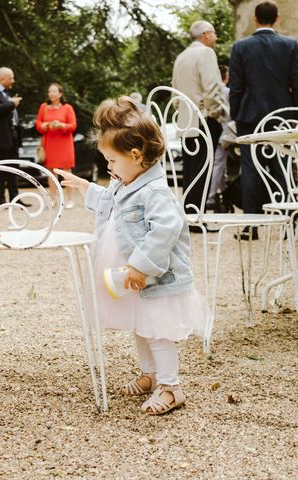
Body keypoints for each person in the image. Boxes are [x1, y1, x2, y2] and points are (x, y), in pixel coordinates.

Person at [56, 97, 205, 415]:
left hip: (156, 279)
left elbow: (164, 231)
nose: (108, 167)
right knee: (141, 326)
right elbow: (112, 203)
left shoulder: (155, 192)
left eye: (111, 160)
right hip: (136, 279)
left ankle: (171, 386)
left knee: (158, 330)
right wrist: (86, 188)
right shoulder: (128, 181)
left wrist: (140, 266)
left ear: (136, 156)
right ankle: (150, 375)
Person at [229, 1, 298, 238]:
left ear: (255, 19)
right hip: (282, 116)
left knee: (251, 170)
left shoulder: (241, 47)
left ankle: (251, 227)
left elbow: (236, 86)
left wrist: (236, 114)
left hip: (250, 117)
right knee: (282, 169)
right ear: (277, 18)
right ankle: (287, 225)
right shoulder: (290, 45)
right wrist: (294, 115)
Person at [172, 20, 229, 218]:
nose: (215, 37)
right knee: (203, 170)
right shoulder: (206, 53)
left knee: (190, 170)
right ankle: (197, 216)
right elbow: (212, 89)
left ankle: (189, 214)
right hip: (204, 120)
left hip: (185, 122)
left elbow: (174, 96)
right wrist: (218, 113)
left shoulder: (181, 57)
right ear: (205, 34)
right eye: (213, 33)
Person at [0, 67, 30, 207]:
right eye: (11, 78)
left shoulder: (5, 93)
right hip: (0, 138)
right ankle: (1, 199)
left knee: (14, 168)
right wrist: (12, 104)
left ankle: (15, 198)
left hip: (13, 135)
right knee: (1, 169)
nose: (13, 81)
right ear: (2, 79)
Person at [35, 83, 77, 208]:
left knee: (66, 171)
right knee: (51, 172)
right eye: (50, 91)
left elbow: (73, 126)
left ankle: (70, 199)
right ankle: (53, 199)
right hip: (50, 142)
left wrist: (61, 125)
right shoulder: (44, 107)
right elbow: (38, 123)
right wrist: (45, 125)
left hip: (64, 143)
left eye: (54, 91)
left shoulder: (67, 108)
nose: (51, 93)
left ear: (60, 94)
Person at [207, 65, 231, 210]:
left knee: (217, 165)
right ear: (225, 76)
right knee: (219, 165)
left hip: (213, 131)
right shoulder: (227, 92)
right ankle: (211, 196)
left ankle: (221, 193)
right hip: (224, 133)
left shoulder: (213, 90)